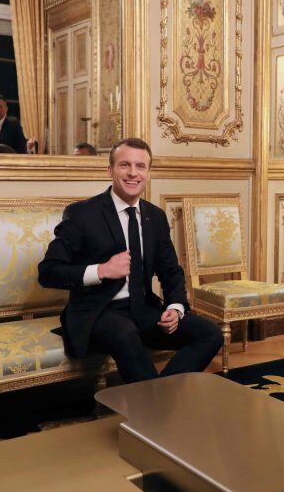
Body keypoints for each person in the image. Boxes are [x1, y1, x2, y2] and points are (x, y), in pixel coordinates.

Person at [38, 137, 223, 383]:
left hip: (143, 309)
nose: (133, 173)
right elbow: (48, 271)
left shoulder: (155, 217)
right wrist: (101, 270)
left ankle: (157, 401)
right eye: (125, 165)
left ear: (148, 173)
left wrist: (175, 308)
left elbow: (171, 272)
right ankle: (155, 409)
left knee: (210, 334)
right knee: (124, 332)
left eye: (140, 166)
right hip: (99, 312)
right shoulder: (82, 214)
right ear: (110, 170)